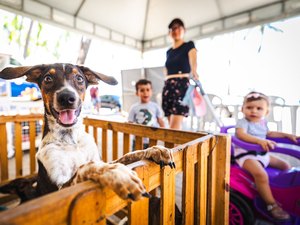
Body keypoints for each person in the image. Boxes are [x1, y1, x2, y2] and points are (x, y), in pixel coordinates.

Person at [234, 91, 299, 220]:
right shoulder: (243, 123)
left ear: (266, 111)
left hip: (262, 154)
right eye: (249, 107)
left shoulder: (263, 122)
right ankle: (271, 204)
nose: (254, 111)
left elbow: (269, 134)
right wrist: (259, 141)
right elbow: (242, 135)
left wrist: (286, 135)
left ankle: (283, 194)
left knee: (285, 165)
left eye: (259, 108)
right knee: (261, 174)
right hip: (246, 155)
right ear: (242, 109)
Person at [162, 18, 199, 130]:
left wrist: (194, 71)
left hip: (181, 86)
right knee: (171, 126)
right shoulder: (169, 51)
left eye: (179, 27)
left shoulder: (189, 45)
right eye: (173, 28)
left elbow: (193, 58)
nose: (176, 30)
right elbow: (166, 68)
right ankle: (175, 147)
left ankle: (173, 148)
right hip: (168, 86)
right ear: (169, 32)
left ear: (184, 30)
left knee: (174, 127)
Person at [128, 79, 165, 148]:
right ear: (137, 93)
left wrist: (165, 134)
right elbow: (130, 122)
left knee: (151, 158)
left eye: (148, 90)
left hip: (152, 139)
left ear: (151, 92)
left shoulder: (155, 106)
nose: (145, 92)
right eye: (142, 90)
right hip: (137, 139)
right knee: (136, 158)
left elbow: (160, 121)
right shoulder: (134, 107)